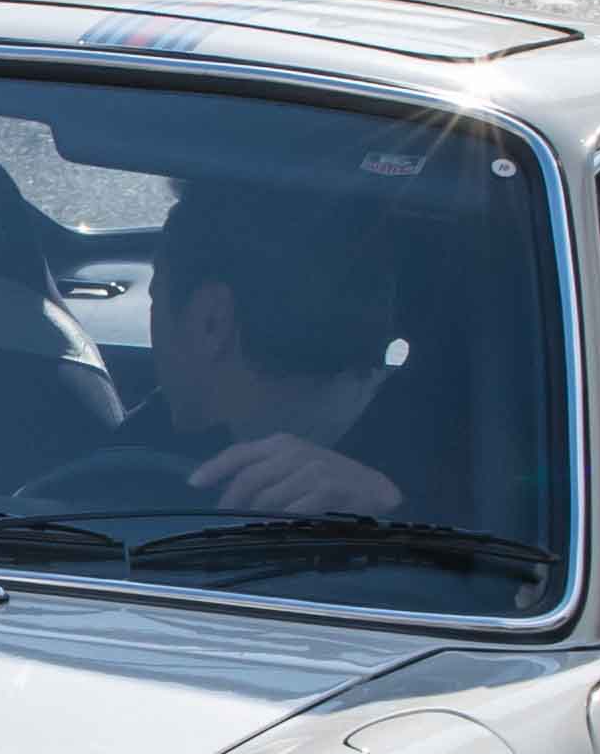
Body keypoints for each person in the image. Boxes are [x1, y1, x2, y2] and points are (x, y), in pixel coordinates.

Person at [137, 183, 417, 520]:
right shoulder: (475, 447)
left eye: (154, 296)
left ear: (211, 322)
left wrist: (398, 524)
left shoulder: (437, 488)